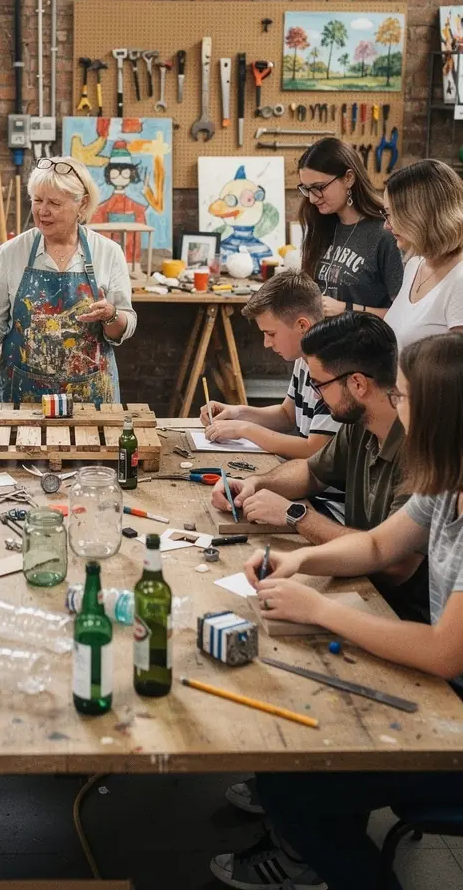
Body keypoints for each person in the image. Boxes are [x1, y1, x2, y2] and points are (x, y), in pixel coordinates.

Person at [212, 332, 463, 890]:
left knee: (298, 785)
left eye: (403, 397)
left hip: (454, 722)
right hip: (446, 696)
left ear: (441, 414)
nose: (395, 407)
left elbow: (446, 653)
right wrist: (299, 564)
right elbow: (377, 546)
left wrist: (321, 611)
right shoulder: (445, 484)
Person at [0, 156, 137, 401]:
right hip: (23, 395)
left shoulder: (108, 252)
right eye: (37, 200)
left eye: (55, 203)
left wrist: (111, 315)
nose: (42, 211)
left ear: (82, 204)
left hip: (90, 397)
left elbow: (123, 326)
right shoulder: (12, 252)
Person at [200, 271, 338, 459]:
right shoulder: (303, 359)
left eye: (271, 334)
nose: (266, 343)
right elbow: (287, 416)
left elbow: (314, 449)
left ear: (302, 326)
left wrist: (244, 429)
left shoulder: (331, 369)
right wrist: (237, 412)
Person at [297, 137, 402, 318]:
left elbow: (404, 316)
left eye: (319, 187)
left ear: (349, 178)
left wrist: (346, 309)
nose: (313, 198)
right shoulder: (322, 226)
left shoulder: (385, 233)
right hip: (324, 343)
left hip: (366, 343)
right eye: (306, 189)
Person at [383, 159, 463, 348]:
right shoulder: (415, 263)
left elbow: (453, 373)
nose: (386, 225)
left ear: (421, 215)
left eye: (392, 214)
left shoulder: (459, 280)